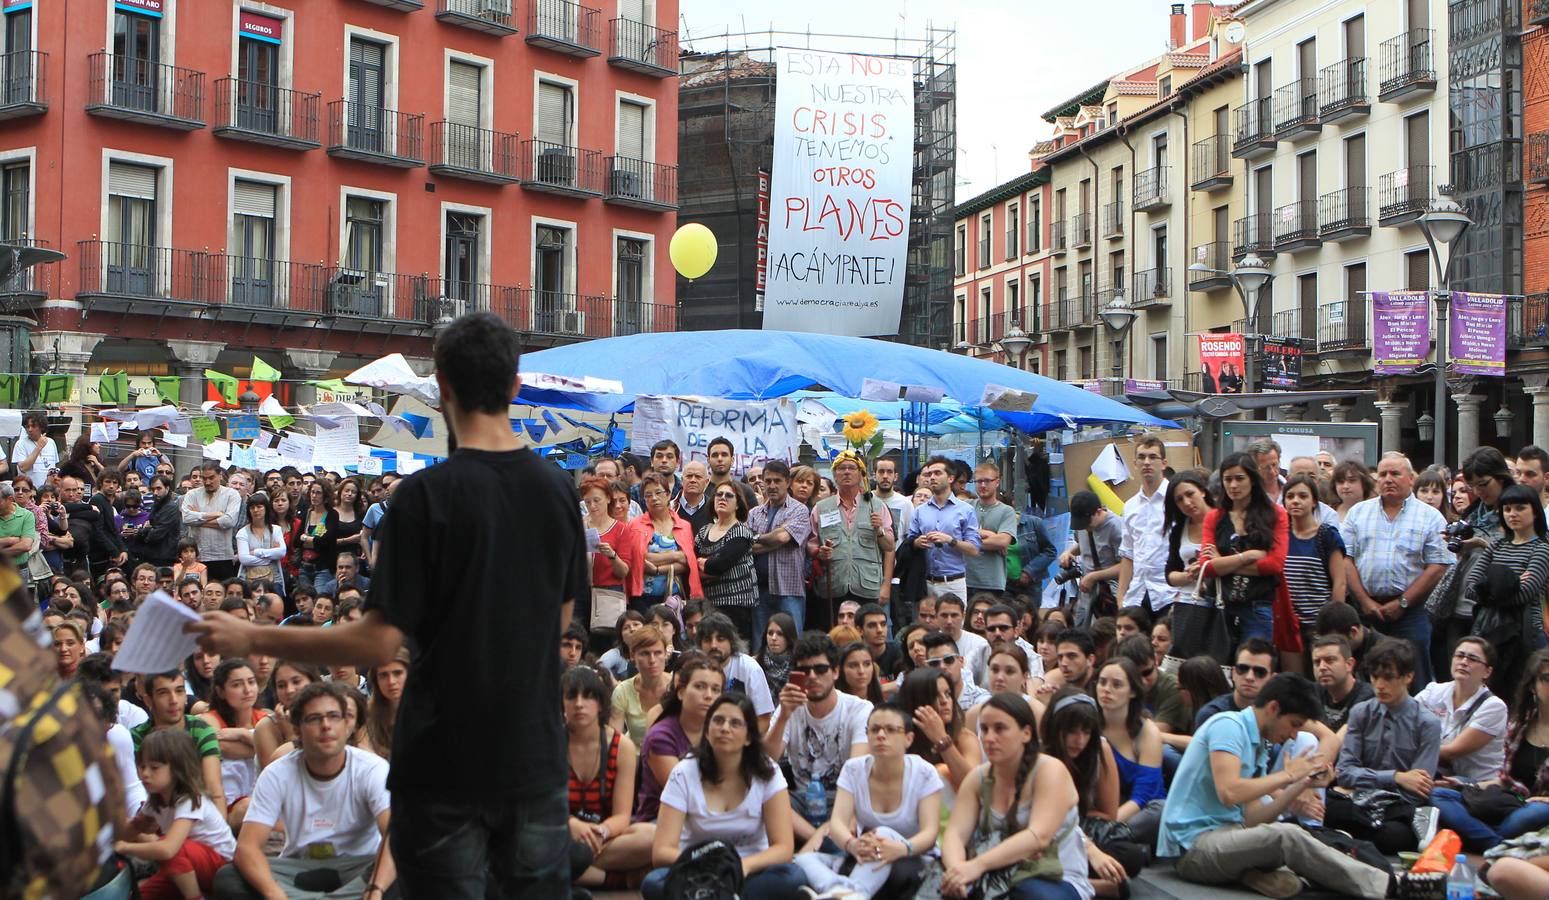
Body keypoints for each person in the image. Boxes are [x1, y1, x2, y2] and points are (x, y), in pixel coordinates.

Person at [190, 311, 589, 898]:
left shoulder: (423, 497)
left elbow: (375, 643)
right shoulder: (557, 491)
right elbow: (558, 622)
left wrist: (251, 638)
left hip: (442, 756)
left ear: (442, 389)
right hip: (531, 751)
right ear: (513, 385)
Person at [1157, 673, 1390, 898]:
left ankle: (1250, 874)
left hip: (1228, 837)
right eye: (1293, 724)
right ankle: (1389, 887)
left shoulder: (1258, 745)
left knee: (1292, 838)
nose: (1293, 735)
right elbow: (1229, 792)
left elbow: (1252, 819)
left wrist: (1303, 783)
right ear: (1273, 708)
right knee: (1287, 836)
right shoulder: (1228, 726)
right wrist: (1288, 775)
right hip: (1191, 849)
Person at [214, 682, 396, 898]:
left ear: (347, 724)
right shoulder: (277, 773)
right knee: (229, 877)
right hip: (297, 867)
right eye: (314, 718)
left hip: (359, 867)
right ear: (297, 728)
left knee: (404, 869)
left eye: (334, 716)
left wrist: (375, 889)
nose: (326, 725)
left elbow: (394, 834)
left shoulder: (372, 769)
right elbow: (247, 848)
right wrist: (274, 894)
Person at [922, 693, 1093, 900]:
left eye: (1000, 728)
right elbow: (955, 835)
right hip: (994, 875)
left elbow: (1038, 836)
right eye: (984, 729)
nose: (989, 737)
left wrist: (977, 865)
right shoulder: (978, 778)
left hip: (1055, 877)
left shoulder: (1050, 770)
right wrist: (957, 871)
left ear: (1026, 733)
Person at [641, 692, 804, 899]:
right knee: (654, 882)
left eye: (735, 723)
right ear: (707, 732)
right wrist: (714, 867)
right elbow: (662, 852)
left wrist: (739, 867)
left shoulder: (767, 772)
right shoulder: (684, 772)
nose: (725, 728)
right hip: (698, 867)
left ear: (748, 737)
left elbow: (783, 848)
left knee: (792, 877)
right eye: (718, 721)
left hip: (750, 868)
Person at [792, 701, 943, 897]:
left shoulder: (924, 772)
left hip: (915, 856)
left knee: (882, 833)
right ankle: (840, 890)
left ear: (908, 738)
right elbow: (838, 823)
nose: (881, 735)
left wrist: (901, 848)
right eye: (874, 729)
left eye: (890, 730)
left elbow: (930, 834)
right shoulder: (853, 769)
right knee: (803, 860)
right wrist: (851, 844)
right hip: (867, 853)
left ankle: (852, 892)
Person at [1342, 452, 1453, 687]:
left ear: (1411, 479)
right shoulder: (1358, 513)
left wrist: (1403, 602)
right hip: (1366, 610)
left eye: (1395, 473)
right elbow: (1346, 559)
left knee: (1414, 675)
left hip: (1411, 612)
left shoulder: (1430, 517)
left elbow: (1438, 566)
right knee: (1366, 677)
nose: (1388, 479)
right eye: (1383, 474)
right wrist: (1364, 601)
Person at [1332, 638, 1442, 853]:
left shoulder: (1428, 724)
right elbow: (1344, 772)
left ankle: (1348, 840)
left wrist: (1364, 782)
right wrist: (1396, 777)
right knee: (1328, 808)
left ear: (1408, 677)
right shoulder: (1361, 713)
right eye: (1375, 677)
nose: (1380, 685)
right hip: (1361, 801)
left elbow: (1417, 790)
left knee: (1393, 835)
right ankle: (1355, 838)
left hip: (1396, 808)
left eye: (1389, 678)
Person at [765, 632, 872, 840]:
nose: (812, 676)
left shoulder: (859, 709)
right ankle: (820, 841)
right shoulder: (789, 708)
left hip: (844, 799)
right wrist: (783, 717)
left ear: (835, 672)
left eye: (820, 669)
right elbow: (766, 761)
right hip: (801, 800)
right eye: (804, 670)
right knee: (761, 793)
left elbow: (857, 771)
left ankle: (816, 843)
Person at [1038, 689, 1143, 898]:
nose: (1079, 740)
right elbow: (1043, 821)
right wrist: (1089, 849)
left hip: (1082, 828)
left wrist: (1080, 827)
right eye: (1072, 731)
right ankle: (1092, 886)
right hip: (1045, 836)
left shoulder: (1099, 750)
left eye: (1086, 732)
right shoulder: (1041, 756)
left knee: (1130, 856)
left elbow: (1108, 814)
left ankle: (1073, 881)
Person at [116, 729, 237, 900]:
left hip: (222, 868)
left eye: (154, 768)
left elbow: (168, 849)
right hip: (185, 867)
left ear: (177, 769)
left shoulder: (190, 800)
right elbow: (133, 828)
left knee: (171, 846)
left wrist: (124, 847)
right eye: (142, 767)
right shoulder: (155, 801)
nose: (145, 774)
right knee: (139, 896)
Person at [562, 665, 654, 889]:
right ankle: (618, 880)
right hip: (561, 834)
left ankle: (570, 875)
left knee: (652, 836)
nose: (579, 703)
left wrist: (599, 833)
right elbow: (543, 811)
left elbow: (622, 817)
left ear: (601, 703)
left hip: (604, 838)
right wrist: (572, 824)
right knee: (531, 847)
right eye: (571, 696)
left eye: (589, 696)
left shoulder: (621, 746)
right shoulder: (550, 742)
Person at [1422, 636, 1512, 851]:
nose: (1463, 662)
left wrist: (1416, 750)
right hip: (1440, 775)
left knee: (1433, 794)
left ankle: (1495, 845)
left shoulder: (1494, 707)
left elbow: (1454, 751)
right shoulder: (1434, 691)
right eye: (1459, 655)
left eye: (1472, 659)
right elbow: (1406, 726)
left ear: (1487, 672)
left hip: (1478, 785)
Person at [1459, 483, 1549, 695]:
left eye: (1520, 508)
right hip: (1489, 629)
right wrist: (1514, 580)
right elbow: (1471, 588)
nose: (1512, 514)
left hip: (1525, 632)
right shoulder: (1496, 545)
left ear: (1534, 511)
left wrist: (1490, 585)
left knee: (1521, 693)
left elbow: (1526, 594)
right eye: (1507, 509)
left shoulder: (1542, 548)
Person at [1199, 452, 1288, 649]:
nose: (1233, 485)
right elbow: (1206, 567)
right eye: (1227, 479)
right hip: (1217, 604)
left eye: (1239, 479)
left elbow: (1274, 564)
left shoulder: (1275, 514)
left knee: (1254, 670)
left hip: (1257, 606)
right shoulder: (1214, 517)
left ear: (1253, 480)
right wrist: (1245, 557)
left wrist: (1222, 562)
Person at [811, 450, 896, 631]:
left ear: (861, 474)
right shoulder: (821, 508)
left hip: (867, 586)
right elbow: (810, 545)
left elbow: (889, 547)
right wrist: (820, 552)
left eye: (852, 468)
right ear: (834, 475)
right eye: (841, 468)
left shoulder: (877, 506)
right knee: (835, 636)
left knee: (868, 635)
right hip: (833, 586)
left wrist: (880, 530)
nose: (847, 472)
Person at [634, 653, 724, 823]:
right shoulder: (660, 736)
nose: (708, 695)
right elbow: (686, 795)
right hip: (663, 821)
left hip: (716, 815)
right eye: (700, 686)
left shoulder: (722, 731)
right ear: (681, 692)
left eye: (716, 689)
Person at [130, 670, 227, 819]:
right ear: (148, 700)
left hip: (198, 816)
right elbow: (137, 790)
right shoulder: (136, 737)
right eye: (163, 693)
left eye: (180, 691)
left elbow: (214, 790)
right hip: (153, 815)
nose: (174, 700)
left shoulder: (201, 729)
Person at [1094, 659, 1165, 847]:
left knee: (1161, 810)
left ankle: (1106, 838)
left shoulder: (1147, 731)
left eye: (1116, 684)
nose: (1106, 689)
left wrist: (1106, 825)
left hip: (1139, 811)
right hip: (1100, 810)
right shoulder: (1087, 722)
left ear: (1133, 691)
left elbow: (1143, 796)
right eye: (1102, 682)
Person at [1280, 473, 1346, 673]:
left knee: (1323, 679)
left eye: (1302, 496)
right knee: (1294, 682)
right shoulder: (1279, 536)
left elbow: (1340, 582)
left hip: (1320, 624)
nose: (1296, 501)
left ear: (1314, 501)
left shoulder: (1326, 535)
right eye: (1290, 496)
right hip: (1289, 624)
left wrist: (1333, 624)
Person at [197, 658, 268, 828]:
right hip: (226, 806)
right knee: (249, 807)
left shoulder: (265, 719)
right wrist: (259, 746)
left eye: (251, 682)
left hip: (262, 800)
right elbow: (219, 747)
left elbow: (276, 753)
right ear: (220, 692)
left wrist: (243, 735)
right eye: (236, 685)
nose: (247, 690)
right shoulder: (208, 719)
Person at [618, 472, 703, 612]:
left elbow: (688, 562)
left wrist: (657, 569)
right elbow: (641, 559)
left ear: (668, 495)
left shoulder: (684, 525)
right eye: (648, 495)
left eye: (658, 492)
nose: (654, 498)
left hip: (674, 597)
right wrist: (676, 556)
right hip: (641, 597)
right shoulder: (635, 525)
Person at [749, 460, 812, 644]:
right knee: (760, 643)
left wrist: (757, 537)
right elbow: (746, 545)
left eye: (777, 481)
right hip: (759, 588)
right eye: (768, 481)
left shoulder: (799, 510)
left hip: (788, 588)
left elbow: (783, 539)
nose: (772, 486)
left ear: (788, 482)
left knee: (791, 643)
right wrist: (775, 537)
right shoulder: (754, 513)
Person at [904, 455, 979, 604]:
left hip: (953, 582)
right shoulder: (920, 511)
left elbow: (974, 549)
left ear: (950, 478)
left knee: (954, 625)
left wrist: (950, 540)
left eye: (938, 473)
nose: (932, 477)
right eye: (929, 474)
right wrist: (917, 542)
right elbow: (909, 541)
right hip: (925, 583)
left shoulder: (966, 510)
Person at [900, 667, 981, 793]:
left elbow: (974, 787)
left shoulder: (965, 738)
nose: (944, 701)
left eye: (948, 694)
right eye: (935, 696)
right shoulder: (901, 738)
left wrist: (942, 740)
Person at [1115, 436, 1171, 616]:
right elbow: (1128, 553)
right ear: (1135, 463)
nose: (1147, 462)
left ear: (1164, 463)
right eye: (1142, 457)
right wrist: (1121, 596)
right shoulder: (1130, 506)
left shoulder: (1176, 498)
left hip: (1169, 594)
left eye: (1153, 457)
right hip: (1137, 595)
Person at [695, 481, 758, 637]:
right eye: (719, 494)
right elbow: (690, 562)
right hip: (708, 605)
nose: (722, 498)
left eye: (729, 495)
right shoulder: (704, 531)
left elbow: (720, 565)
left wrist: (703, 563)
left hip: (736, 606)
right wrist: (704, 564)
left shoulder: (741, 532)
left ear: (737, 504)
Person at [695, 612, 777, 729]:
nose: (713, 645)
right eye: (707, 640)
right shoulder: (693, 669)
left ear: (731, 642)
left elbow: (763, 719)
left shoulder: (750, 668)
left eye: (720, 639)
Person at [1062, 491, 1123, 628]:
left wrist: (1094, 576)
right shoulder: (1082, 525)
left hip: (1110, 593)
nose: (1086, 528)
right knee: (1080, 632)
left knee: (1104, 634)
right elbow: (1083, 545)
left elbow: (1126, 565)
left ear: (1098, 511)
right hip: (1086, 592)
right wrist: (1069, 552)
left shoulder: (1116, 527)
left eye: (1087, 524)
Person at [610, 623, 672, 749]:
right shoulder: (623, 691)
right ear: (633, 656)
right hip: (634, 760)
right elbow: (614, 739)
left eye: (658, 653)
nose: (652, 660)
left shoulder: (677, 687)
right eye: (645, 654)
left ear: (666, 654)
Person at [180, 462, 242, 581]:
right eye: (204, 478)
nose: (207, 482)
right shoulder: (192, 494)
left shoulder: (232, 494)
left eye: (211, 478)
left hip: (223, 556)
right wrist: (214, 515)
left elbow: (229, 521)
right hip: (198, 556)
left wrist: (198, 518)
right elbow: (186, 518)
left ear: (220, 476)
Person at [966, 461, 1018, 599]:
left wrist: (966, 540)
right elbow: (953, 534)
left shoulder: (1006, 511)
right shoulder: (966, 507)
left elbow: (1002, 542)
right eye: (979, 481)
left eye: (987, 481)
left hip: (992, 582)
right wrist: (987, 534)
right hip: (965, 580)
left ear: (997, 482)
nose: (983, 485)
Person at [1310, 634, 1374, 732]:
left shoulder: (1367, 697)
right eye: (1317, 662)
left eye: (1330, 660)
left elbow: (1339, 743)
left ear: (1349, 664)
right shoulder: (1312, 692)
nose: (1322, 667)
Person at [235, 491, 287, 597]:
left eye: (259, 507)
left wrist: (256, 552)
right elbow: (244, 559)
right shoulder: (242, 532)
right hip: (249, 578)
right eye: (252, 507)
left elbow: (281, 552)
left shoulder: (276, 530)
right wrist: (270, 556)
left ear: (266, 508)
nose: (256, 510)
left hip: (274, 578)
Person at [935, 594, 993, 686]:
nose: (949, 621)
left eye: (954, 615)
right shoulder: (929, 643)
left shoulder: (979, 644)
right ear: (936, 616)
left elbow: (985, 682)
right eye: (944, 615)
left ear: (963, 616)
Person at [364, 647, 409, 761]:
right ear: (376, 680)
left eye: (397, 673)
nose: (391, 682)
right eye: (383, 675)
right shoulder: (367, 717)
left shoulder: (429, 711)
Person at [757, 611, 797, 696]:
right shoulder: (754, 664)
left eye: (780, 634)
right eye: (770, 633)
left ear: (789, 636)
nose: (774, 638)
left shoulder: (799, 666)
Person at [11, 409, 54, 487]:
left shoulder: (51, 442)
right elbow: (23, 468)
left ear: (41, 427)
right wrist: (38, 448)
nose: (30, 430)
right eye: (27, 427)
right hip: (29, 489)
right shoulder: (20, 444)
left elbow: (53, 467)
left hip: (48, 489)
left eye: (33, 426)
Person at [839, 639, 887, 705]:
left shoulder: (883, 706)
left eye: (867, 664)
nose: (861, 671)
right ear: (841, 669)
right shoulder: (833, 706)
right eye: (853, 665)